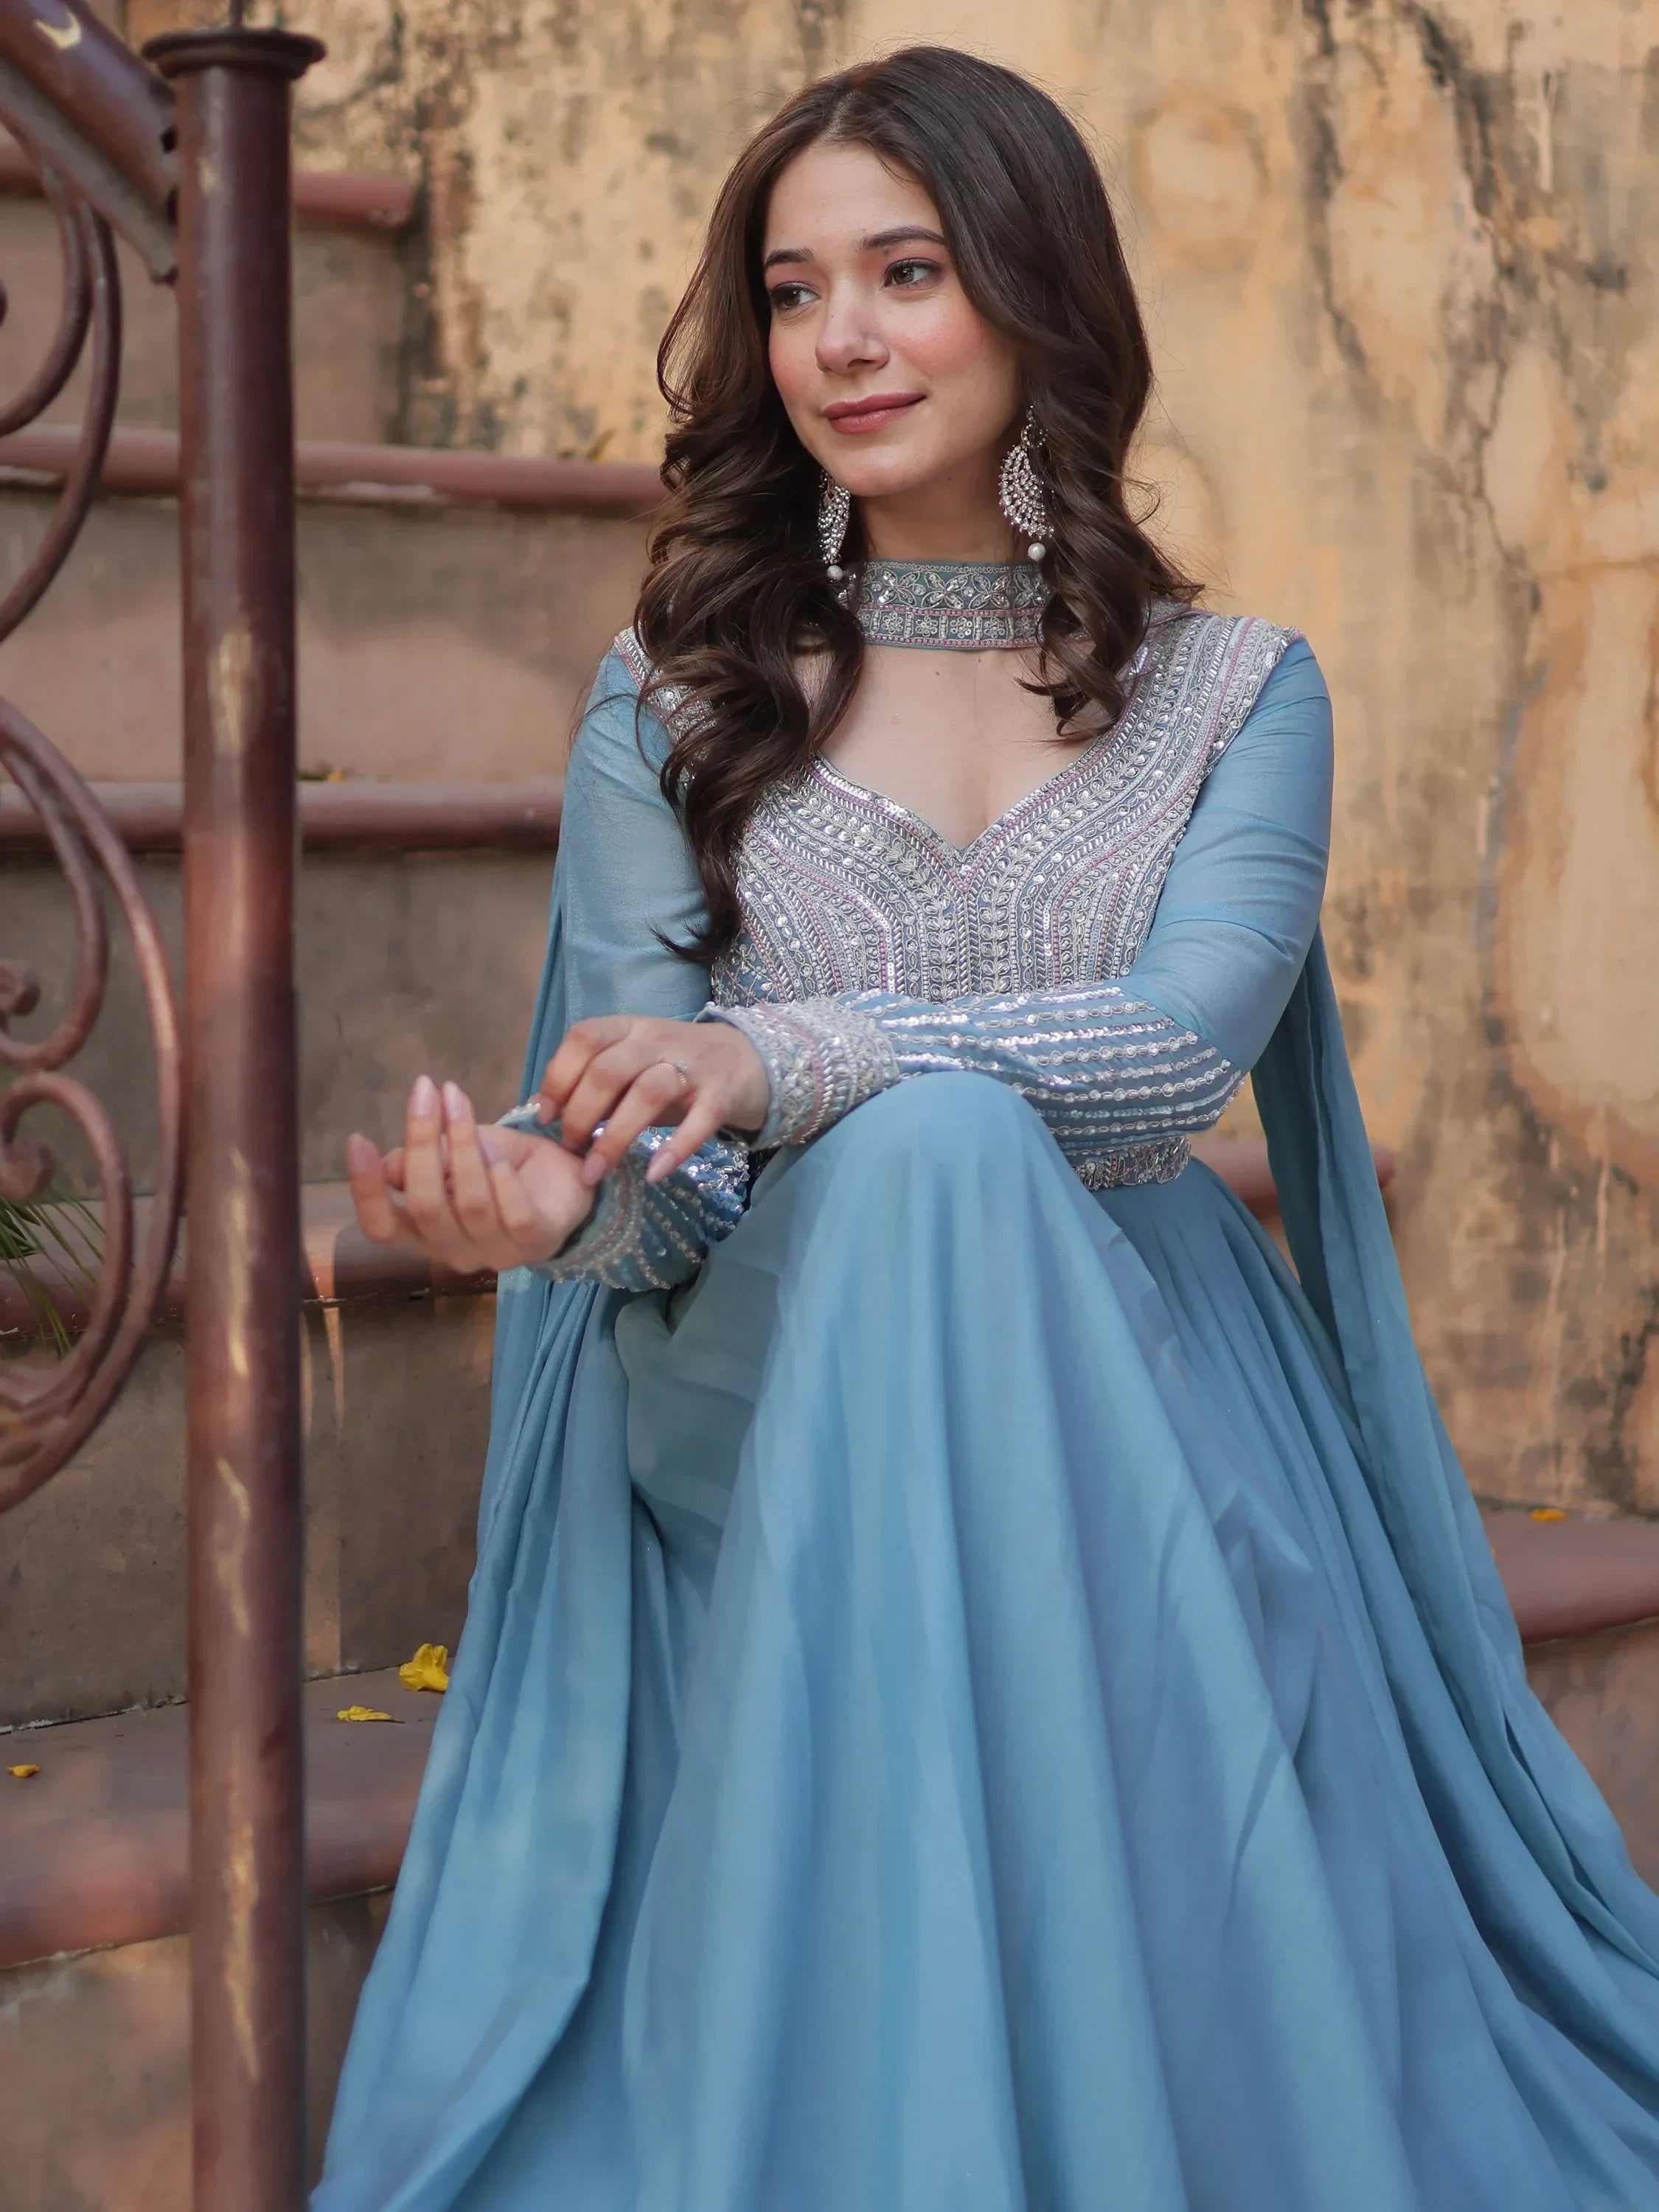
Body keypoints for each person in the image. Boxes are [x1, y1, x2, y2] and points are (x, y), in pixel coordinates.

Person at [316, 46, 1659, 2212]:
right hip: (766, 1356)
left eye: (905, 271)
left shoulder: (1237, 693)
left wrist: (785, 1056)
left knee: (947, 1164)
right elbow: (659, 1205)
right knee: (927, 1172)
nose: (837, 338)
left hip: (1130, 1335)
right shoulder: (670, 692)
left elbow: (1171, 1058)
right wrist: (551, 1212)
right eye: (790, 288)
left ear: (1035, 293)